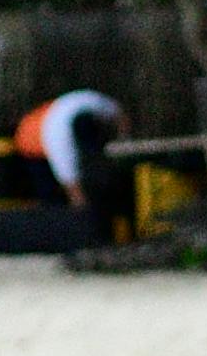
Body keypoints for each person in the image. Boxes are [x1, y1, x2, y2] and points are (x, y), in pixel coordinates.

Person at [14, 88, 127, 249]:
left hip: (55, 125)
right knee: (50, 198)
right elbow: (69, 180)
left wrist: (123, 138)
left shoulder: (90, 102)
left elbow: (118, 115)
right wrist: (84, 213)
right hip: (32, 147)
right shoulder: (58, 137)